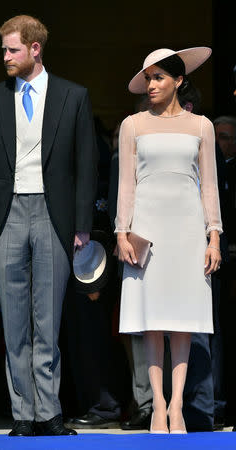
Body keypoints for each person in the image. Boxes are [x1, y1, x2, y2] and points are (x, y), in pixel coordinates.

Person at [0, 15, 97, 437]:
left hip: (52, 213)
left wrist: (82, 223)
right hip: (7, 216)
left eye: (12, 50)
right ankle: (24, 413)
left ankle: (49, 411)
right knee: (14, 320)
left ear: (35, 49)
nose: (5, 57)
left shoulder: (72, 96)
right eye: (4, 50)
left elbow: (86, 162)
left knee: (48, 318)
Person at [115, 47, 222, 434]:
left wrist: (214, 237)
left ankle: (177, 406)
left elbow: (209, 185)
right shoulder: (133, 124)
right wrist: (121, 231)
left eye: (159, 77)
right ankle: (157, 405)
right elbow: (125, 184)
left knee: (183, 320)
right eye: (148, 77)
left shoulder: (202, 126)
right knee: (152, 321)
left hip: (188, 229)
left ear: (178, 80)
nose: (152, 84)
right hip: (147, 228)